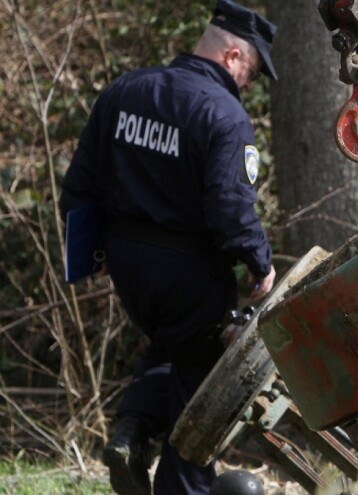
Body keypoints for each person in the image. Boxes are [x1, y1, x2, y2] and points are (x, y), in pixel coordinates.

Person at [60, 1, 278, 493]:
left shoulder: (125, 90)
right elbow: (229, 208)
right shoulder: (224, 115)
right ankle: (186, 487)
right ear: (232, 55)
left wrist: (92, 255)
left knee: (168, 346)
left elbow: (78, 187)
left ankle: (131, 433)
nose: (249, 85)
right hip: (189, 270)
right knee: (198, 386)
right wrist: (259, 264)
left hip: (126, 263)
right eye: (252, 72)